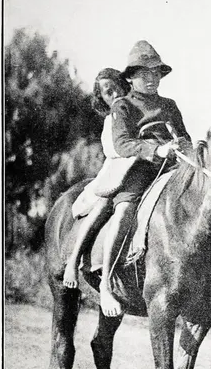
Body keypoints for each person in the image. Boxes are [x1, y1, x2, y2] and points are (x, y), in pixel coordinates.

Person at [65, 41, 192, 318]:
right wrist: (155, 149)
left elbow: (184, 136)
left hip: (172, 169)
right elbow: (122, 144)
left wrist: (184, 147)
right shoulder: (123, 106)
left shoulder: (170, 105)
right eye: (144, 74)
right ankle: (108, 285)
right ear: (131, 78)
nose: (151, 79)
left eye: (156, 73)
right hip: (138, 170)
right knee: (123, 210)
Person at [63, 68, 131, 290]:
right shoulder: (111, 119)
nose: (114, 94)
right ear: (102, 97)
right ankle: (74, 260)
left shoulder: (135, 110)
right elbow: (113, 149)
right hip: (117, 170)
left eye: (116, 88)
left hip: (142, 166)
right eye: (107, 92)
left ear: (124, 85)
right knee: (104, 204)